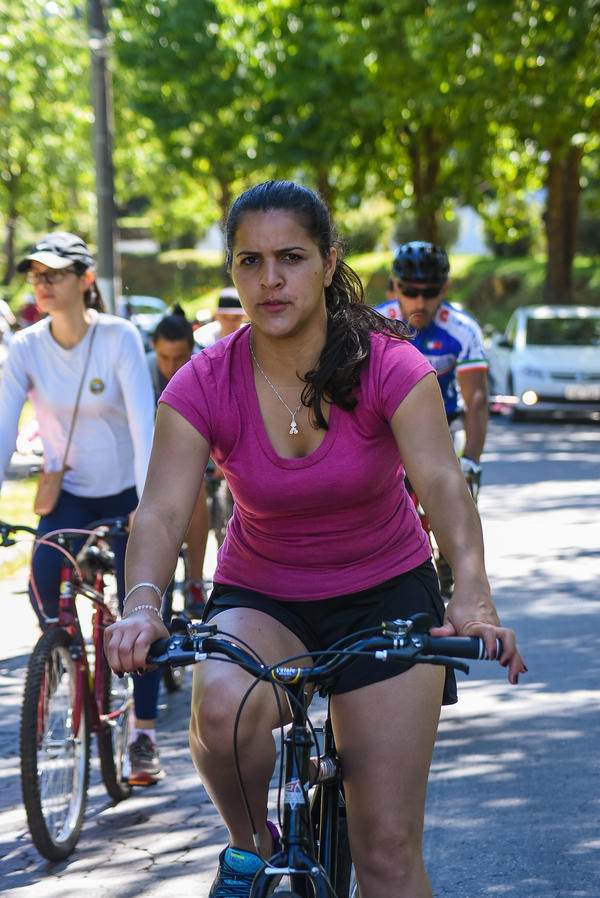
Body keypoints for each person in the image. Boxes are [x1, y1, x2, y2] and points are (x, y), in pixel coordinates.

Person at [104, 181, 526, 898]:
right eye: (250, 261)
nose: (269, 279)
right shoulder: (206, 379)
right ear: (233, 272)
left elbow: (443, 488)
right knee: (219, 707)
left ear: (330, 263)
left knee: (387, 854)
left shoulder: (392, 365)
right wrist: (143, 603)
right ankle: (249, 846)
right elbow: (163, 514)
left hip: (386, 595)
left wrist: (474, 600)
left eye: (291, 257)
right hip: (265, 594)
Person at [0, 232, 164, 787]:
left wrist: (147, 503)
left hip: (124, 491)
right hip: (68, 493)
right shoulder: (25, 347)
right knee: (44, 581)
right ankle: (65, 655)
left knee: (139, 610)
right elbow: (3, 428)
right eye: (36, 274)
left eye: (56, 273)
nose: (43, 283)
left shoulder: (118, 337)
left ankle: (142, 731)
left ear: (85, 280)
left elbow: (146, 426)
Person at [381, 241, 490, 596]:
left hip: (445, 425)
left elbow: (476, 398)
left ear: (445, 289)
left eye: (429, 293)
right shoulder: (377, 324)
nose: (420, 302)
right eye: (410, 292)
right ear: (394, 287)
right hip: (390, 429)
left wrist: (472, 457)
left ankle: (450, 553)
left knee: (455, 489)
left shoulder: (462, 330)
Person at [147, 305, 211, 615]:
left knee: (195, 490)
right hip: (151, 451)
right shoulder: (143, 369)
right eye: (164, 358)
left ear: (193, 349)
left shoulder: (205, 366)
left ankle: (195, 579)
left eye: (180, 358)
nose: (172, 367)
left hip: (196, 450)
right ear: (152, 349)